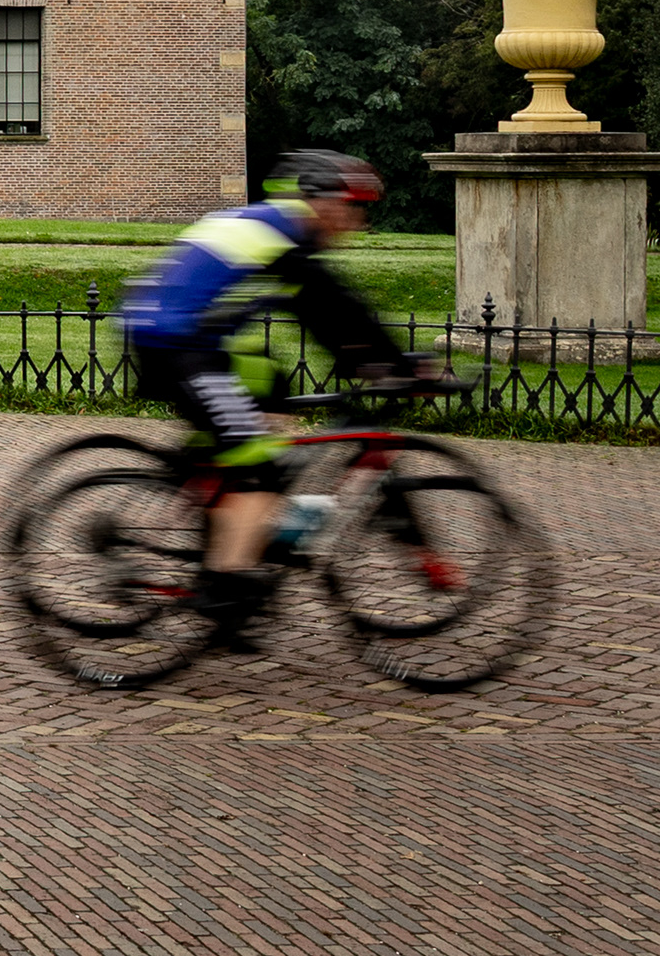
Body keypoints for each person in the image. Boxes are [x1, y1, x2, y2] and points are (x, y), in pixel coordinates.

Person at [118, 149, 430, 650]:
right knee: (255, 470)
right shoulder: (284, 232)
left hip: (195, 339)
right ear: (321, 202)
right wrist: (397, 366)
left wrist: (367, 363)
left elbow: (322, 317)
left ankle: (217, 516)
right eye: (352, 206)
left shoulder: (273, 227)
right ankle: (222, 597)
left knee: (270, 406)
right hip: (175, 344)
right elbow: (332, 303)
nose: (356, 220)